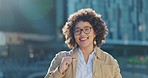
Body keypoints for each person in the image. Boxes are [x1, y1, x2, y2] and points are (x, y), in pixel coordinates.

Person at [44, 8, 122, 78]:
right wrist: (60, 70)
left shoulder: (110, 61)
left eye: (87, 29)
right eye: (77, 30)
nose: (82, 34)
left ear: (95, 32)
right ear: (73, 34)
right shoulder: (61, 58)